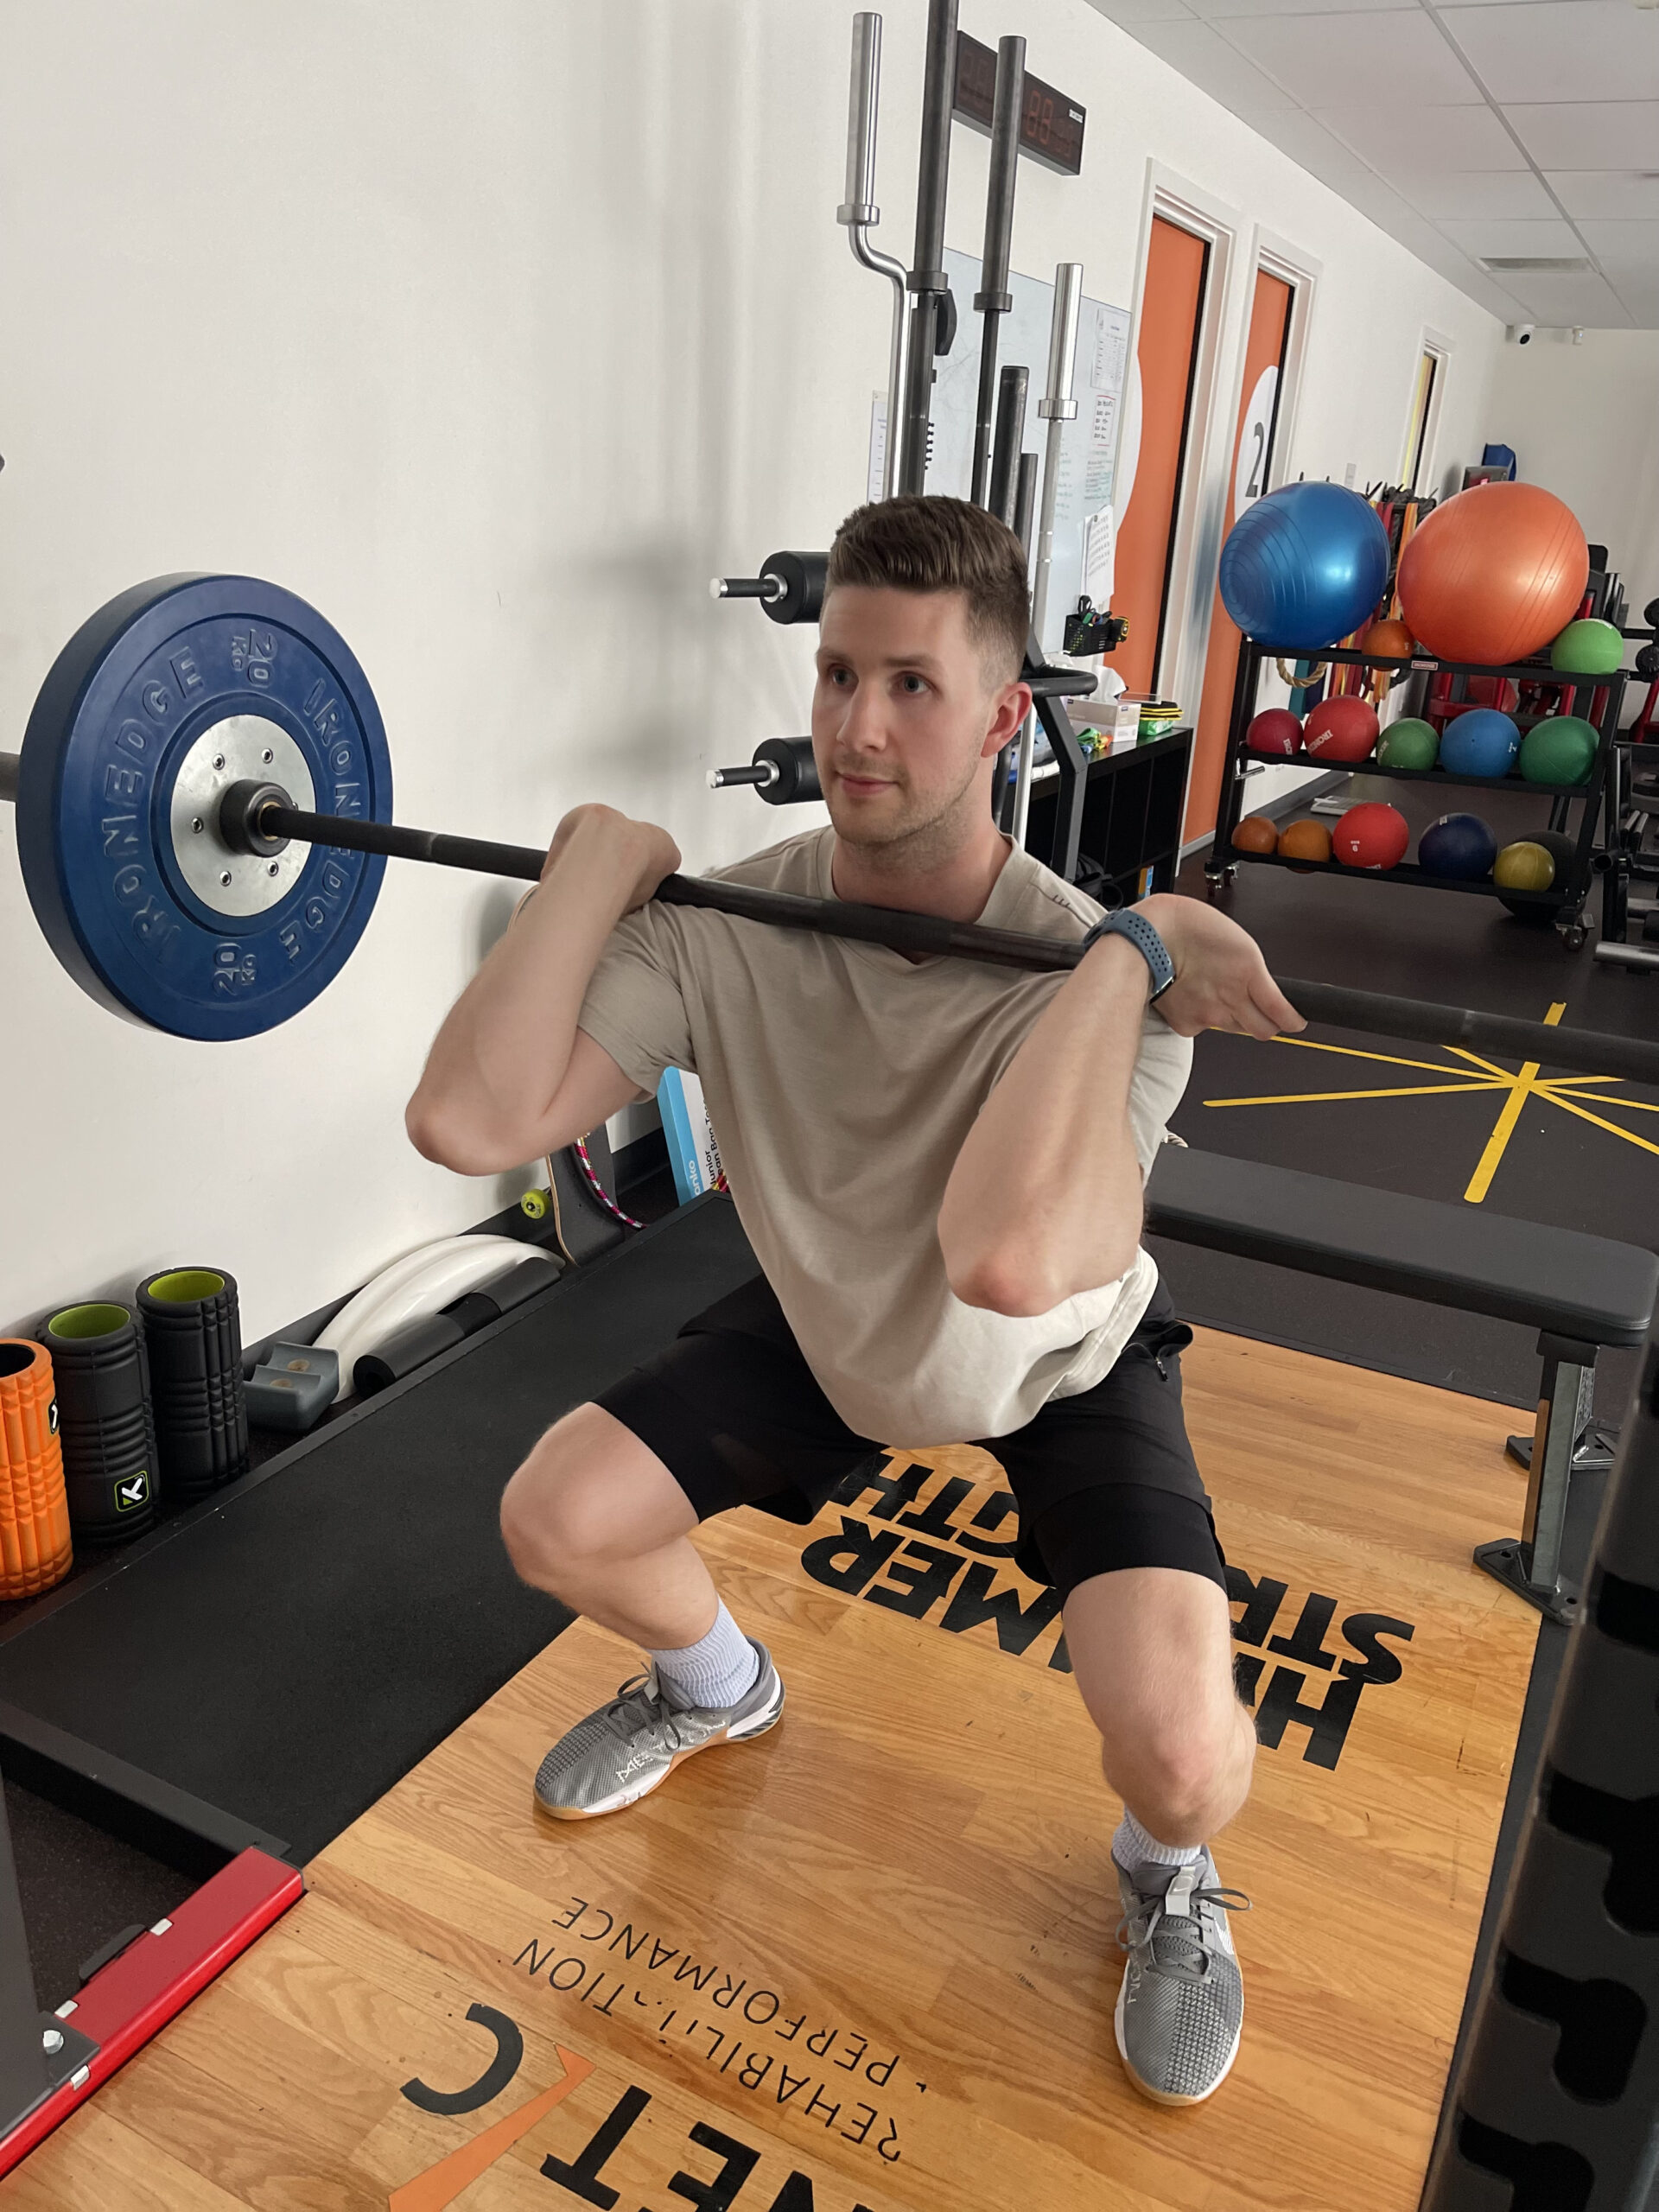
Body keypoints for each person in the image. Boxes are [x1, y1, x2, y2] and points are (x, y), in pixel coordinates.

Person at [406, 493, 1303, 2107]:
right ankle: (719, 1690)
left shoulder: (1103, 982)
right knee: (555, 1518)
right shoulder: (730, 920)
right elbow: (468, 1125)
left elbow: (1015, 1266)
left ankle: (1165, 1876)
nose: (856, 728)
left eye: (910, 686)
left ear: (1005, 716)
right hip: (834, 1329)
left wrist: (1128, 949)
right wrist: (592, 870)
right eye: (835, 678)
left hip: (1052, 1366)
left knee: (1186, 1758)